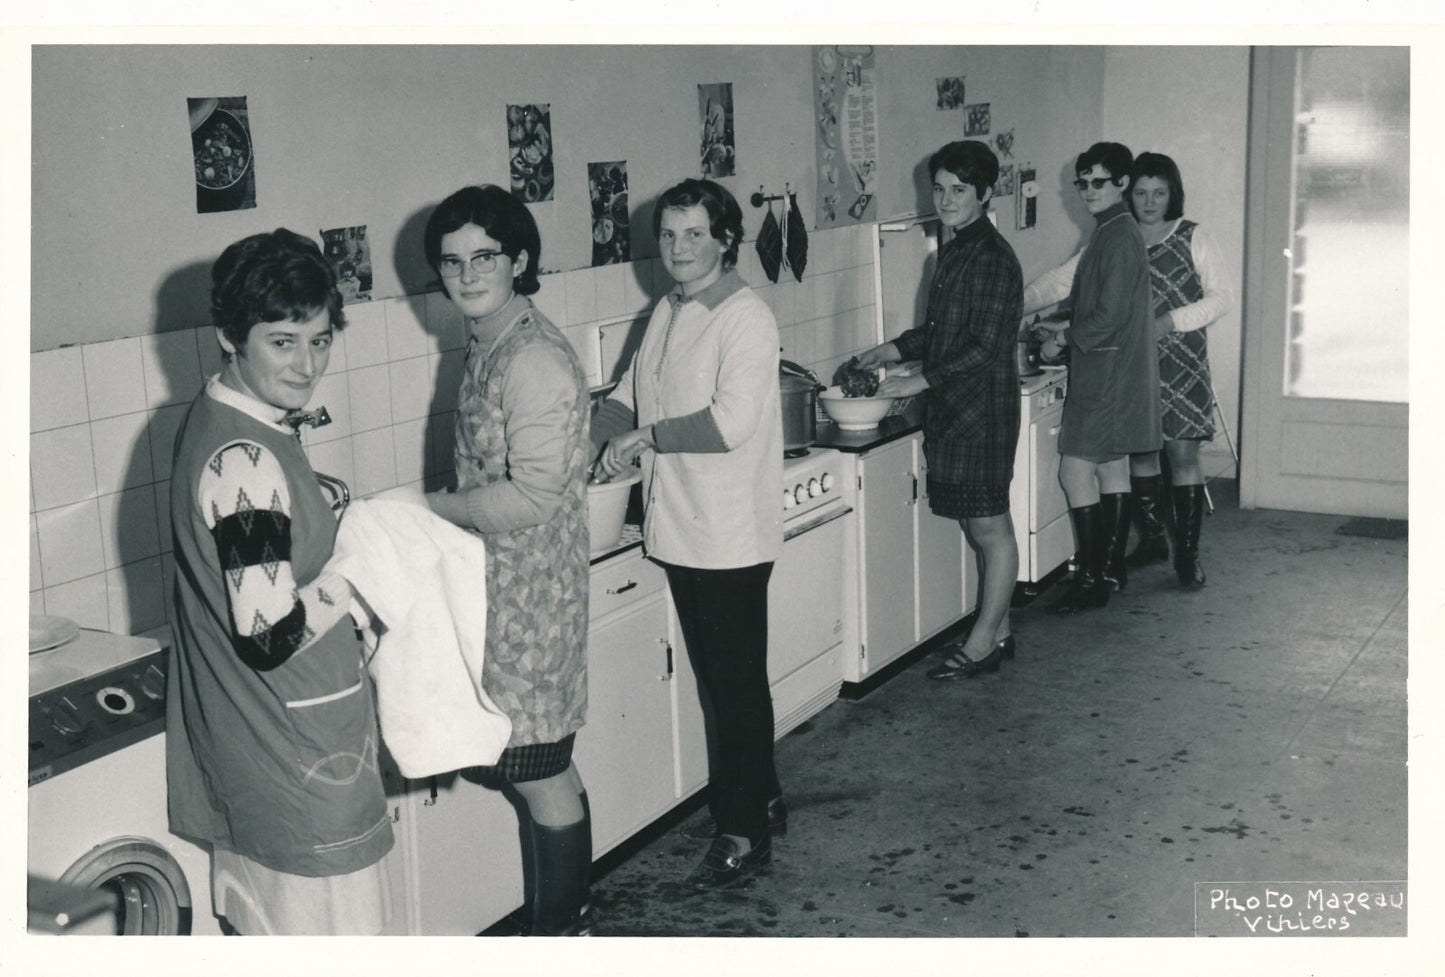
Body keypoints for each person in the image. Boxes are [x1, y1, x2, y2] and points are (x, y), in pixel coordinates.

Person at [166, 228, 394, 935]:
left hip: (261, 743)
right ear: (230, 336)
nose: (307, 364)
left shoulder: (226, 415)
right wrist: (356, 577)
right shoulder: (244, 459)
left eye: (320, 340)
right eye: (283, 341)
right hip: (294, 753)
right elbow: (269, 636)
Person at [591, 177, 784, 890]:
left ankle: (744, 831)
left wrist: (642, 439)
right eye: (669, 235)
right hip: (679, 526)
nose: (678, 248)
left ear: (725, 240)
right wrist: (588, 442)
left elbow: (730, 423)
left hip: (729, 532)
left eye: (694, 234)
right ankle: (761, 795)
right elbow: (628, 393)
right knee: (723, 677)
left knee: (731, 685)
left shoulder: (744, 317)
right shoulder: (668, 309)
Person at [421, 185, 594, 936]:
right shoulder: (489, 341)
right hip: (510, 591)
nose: (467, 274)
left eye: (484, 257)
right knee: (542, 767)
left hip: (534, 600)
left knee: (539, 771)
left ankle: (557, 934)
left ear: (519, 260)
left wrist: (427, 510)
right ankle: (569, 919)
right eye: (451, 261)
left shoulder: (532, 358)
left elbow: (531, 496)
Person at [853, 140, 1023, 679]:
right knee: (978, 524)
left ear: (986, 193)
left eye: (960, 190)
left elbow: (984, 347)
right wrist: (891, 350)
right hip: (957, 409)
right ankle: (998, 630)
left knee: (989, 528)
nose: (946, 200)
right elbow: (940, 331)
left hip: (982, 412)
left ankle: (983, 644)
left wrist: (921, 377)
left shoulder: (991, 257)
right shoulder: (952, 250)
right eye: (940, 189)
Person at [1024, 142, 1160, 613]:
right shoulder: (1113, 230)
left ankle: (1091, 578)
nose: (1087, 191)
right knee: (1111, 469)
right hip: (1115, 370)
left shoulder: (1117, 236)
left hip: (1107, 375)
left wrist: (1060, 339)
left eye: (1098, 182)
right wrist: (1059, 321)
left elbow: (1109, 315)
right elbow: (1101, 303)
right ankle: (1111, 569)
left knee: (1074, 470)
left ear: (1122, 182)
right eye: (1082, 183)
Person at [1123, 152, 1232, 588]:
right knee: (1141, 452)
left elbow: (1221, 298)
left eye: (1159, 193)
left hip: (1182, 363)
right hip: (1132, 363)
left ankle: (1188, 557)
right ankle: (1152, 541)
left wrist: (1170, 321)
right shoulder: (1118, 236)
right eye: (1141, 193)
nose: (1149, 202)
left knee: (1182, 455)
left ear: (1173, 194)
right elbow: (1071, 280)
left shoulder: (1193, 235)